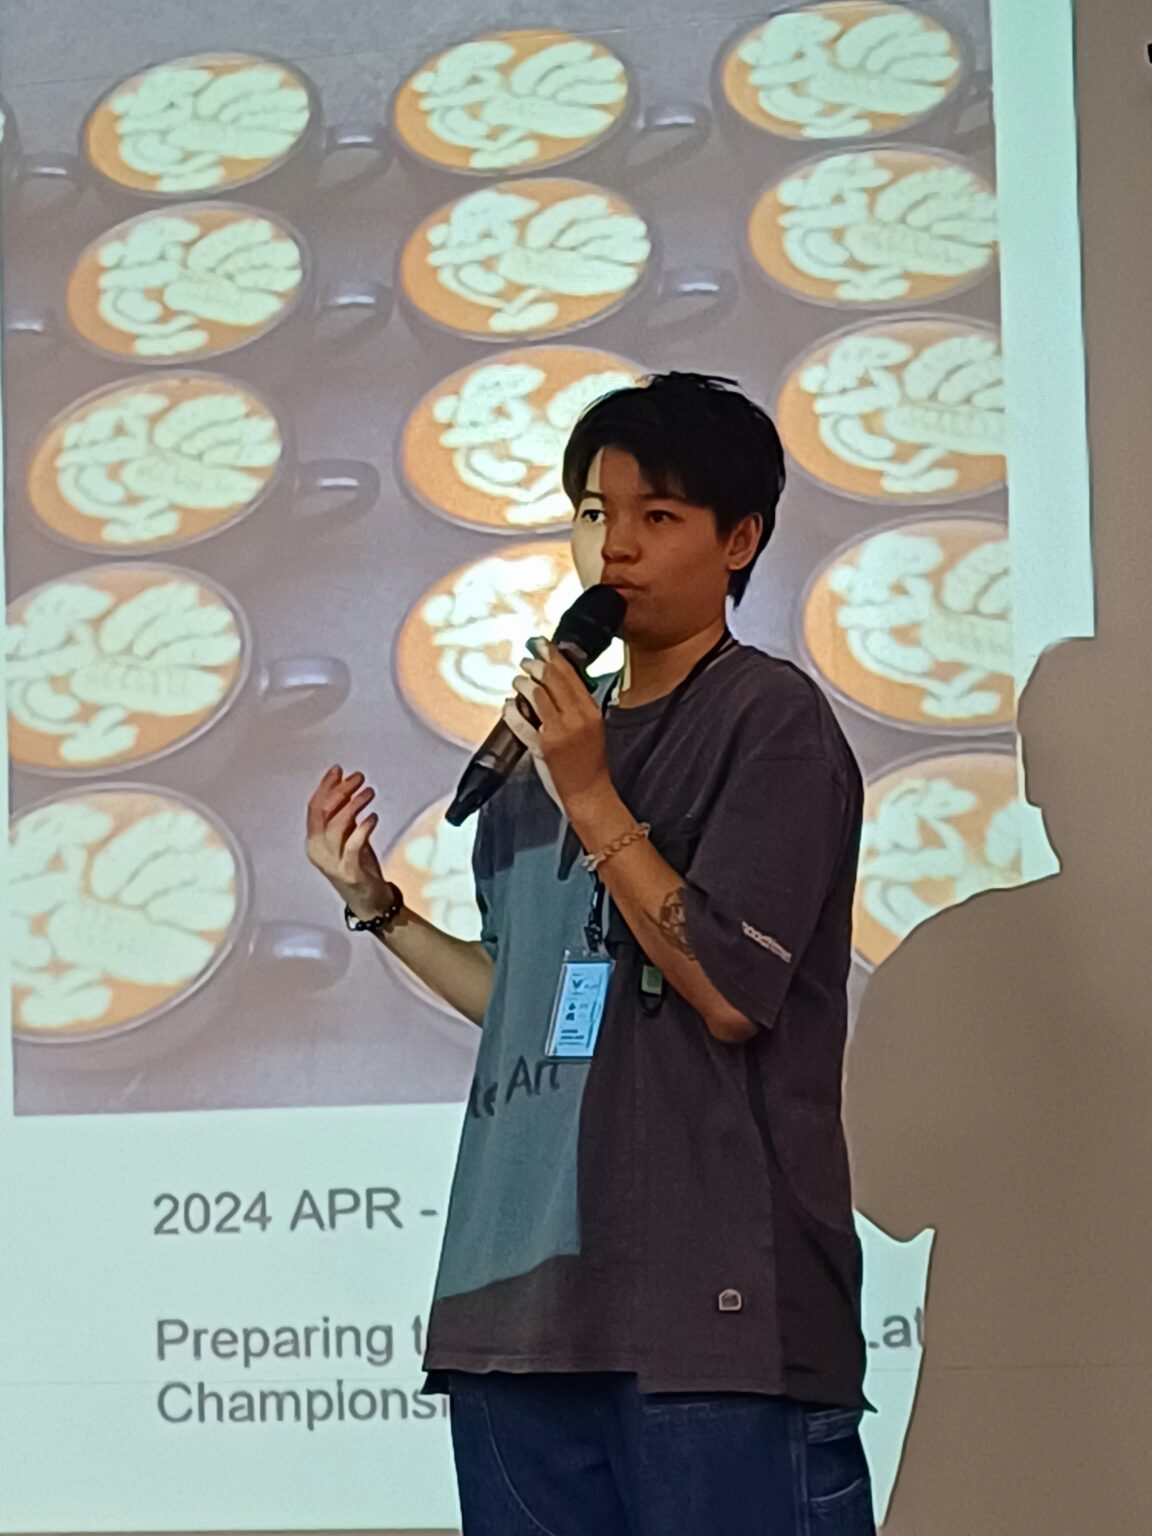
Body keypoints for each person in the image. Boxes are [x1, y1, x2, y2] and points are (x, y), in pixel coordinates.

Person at [306, 373, 874, 1535]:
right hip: (516, 1316)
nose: (613, 547)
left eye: (657, 516)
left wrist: (591, 789)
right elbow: (532, 1000)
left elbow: (730, 993)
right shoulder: (544, 749)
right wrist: (381, 909)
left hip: (711, 1318)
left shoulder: (769, 721)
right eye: (591, 513)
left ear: (740, 539)